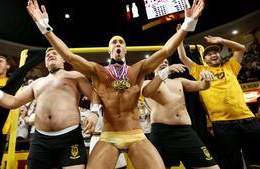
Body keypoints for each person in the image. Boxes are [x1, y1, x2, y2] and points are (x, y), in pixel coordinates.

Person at [26, 0, 205, 168]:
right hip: (109, 136)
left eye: (121, 42)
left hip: (135, 134)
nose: (118, 44)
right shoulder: (98, 71)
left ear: (125, 49)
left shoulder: (138, 68)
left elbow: (166, 50)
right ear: (110, 49)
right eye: (114, 42)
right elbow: (69, 56)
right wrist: (45, 28)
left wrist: (187, 25)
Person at [0, 48, 100, 169]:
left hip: (70, 137)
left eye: (54, 53)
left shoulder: (75, 76)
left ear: (63, 59)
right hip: (41, 140)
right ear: (45, 63)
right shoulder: (37, 83)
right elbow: (13, 102)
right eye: (47, 55)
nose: (50, 55)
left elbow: (94, 94)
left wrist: (94, 112)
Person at [178, 35, 260, 168]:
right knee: (232, 163)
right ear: (204, 60)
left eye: (215, 52)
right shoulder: (200, 71)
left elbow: (241, 49)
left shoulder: (230, 67)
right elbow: (182, 57)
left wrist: (221, 41)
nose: (213, 55)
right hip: (222, 124)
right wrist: (180, 36)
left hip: (248, 119)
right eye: (209, 54)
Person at [141, 59, 219, 169]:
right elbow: (147, 93)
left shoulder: (179, 81)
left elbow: (202, 86)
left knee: (212, 167)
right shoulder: (147, 83)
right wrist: (165, 72)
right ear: (153, 66)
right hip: (162, 133)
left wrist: (206, 79)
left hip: (185, 132)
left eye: (166, 62)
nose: (164, 63)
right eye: (160, 61)